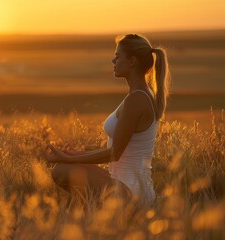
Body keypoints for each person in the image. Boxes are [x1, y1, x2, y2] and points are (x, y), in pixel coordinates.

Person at [46, 34, 170, 207]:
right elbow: (117, 150)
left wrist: (69, 159)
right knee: (64, 166)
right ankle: (94, 216)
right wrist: (73, 154)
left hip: (132, 192)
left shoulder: (137, 99)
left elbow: (114, 153)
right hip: (122, 182)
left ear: (132, 61)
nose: (113, 60)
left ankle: (100, 217)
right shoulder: (139, 94)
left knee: (62, 170)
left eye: (118, 56)